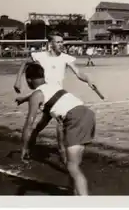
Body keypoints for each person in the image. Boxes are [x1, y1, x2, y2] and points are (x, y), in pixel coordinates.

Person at [14, 34, 98, 162]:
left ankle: (36, 148)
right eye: (58, 42)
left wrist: (88, 80)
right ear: (51, 44)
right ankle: (60, 154)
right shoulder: (40, 56)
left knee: (43, 126)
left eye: (62, 42)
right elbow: (25, 63)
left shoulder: (66, 58)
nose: (61, 44)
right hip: (44, 97)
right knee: (53, 125)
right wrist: (18, 81)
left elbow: (78, 73)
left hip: (57, 96)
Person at [17, 62, 96, 195]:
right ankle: (76, 195)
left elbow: (28, 124)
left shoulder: (37, 95)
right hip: (87, 114)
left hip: (74, 119)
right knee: (74, 164)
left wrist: (25, 147)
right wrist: (34, 135)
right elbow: (42, 122)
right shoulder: (53, 87)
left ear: (29, 80)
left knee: (72, 166)